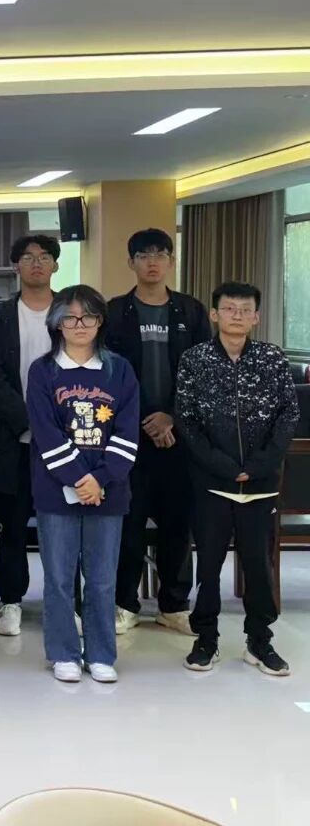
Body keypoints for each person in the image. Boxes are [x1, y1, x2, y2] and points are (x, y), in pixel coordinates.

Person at [176, 282, 299, 677]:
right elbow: (186, 420)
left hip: (260, 485)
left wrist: (260, 465)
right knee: (208, 565)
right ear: (215, 314)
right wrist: (225, 466)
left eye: (245, 310)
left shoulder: (271, 359)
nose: (237, 316)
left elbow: (288, 415)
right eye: (229, 309)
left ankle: (259, 641)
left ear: (256, 317)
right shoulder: (195, 360)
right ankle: (206, 639)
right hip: (212, 482)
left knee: (258, 566)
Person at [27, 285, 139, 684]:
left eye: (88, 316)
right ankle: (63, 653)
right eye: (70, 317)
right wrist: (78, 478)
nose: (79, 324)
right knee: (59, 579)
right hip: (55, 490)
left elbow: (127, 432)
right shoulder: (43, 371)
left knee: (103, 579)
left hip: (109, 491)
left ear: (100, 322)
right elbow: (45, 432)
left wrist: (101, 479)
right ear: (57, 323)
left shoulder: (119, 370)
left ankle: (101, 654)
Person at [104, 229, 212, 636]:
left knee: (177, 524)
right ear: (130, 262)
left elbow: (203, 373)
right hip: (129, 436)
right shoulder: (115, 312)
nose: (152, 261)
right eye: (144, 254)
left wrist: (171, 417)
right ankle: (124, 603)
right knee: (127, 523)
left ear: (171, 260)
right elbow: (110, 374)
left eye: (160, 254)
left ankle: (174, 604)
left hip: (180, 438)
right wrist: (149, 417)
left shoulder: (191, 311)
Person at [0, 235, 60, 636]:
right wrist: (30, 421)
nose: (36, 263)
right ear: (16, 266)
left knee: (62, 527)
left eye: (44, 257)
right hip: (14, 439)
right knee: (10, 525)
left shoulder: (72, 312)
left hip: (66, 440)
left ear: (55, 265)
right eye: (28, 258)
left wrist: (55, 426)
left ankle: (63, 603)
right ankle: (10, 601)